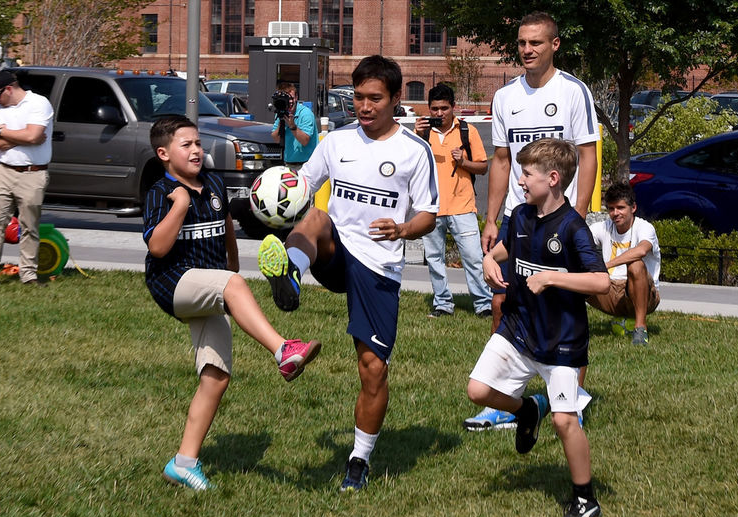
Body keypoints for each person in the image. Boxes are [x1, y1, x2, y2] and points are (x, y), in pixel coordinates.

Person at [257, 56, 438, 492]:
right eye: (358, 97)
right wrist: (273, 193)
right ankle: (291, 275)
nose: (365, 106)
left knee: (373, 368)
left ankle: (359, 460)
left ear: (396, 99)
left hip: (379, 264)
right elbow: (302, 185)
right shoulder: (336, 141)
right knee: (317, 217)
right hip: (336, 251)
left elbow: (428, 215)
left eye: (375, 98)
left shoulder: (414, 151)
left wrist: (402, 229)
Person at [144, 115, 321, 491]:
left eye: (197, 143)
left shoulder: (213, 183)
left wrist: (232, 269)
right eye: (186, 145)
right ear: (163, 154)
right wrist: (180, 205)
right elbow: (157, 247)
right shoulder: (161, 192)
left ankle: (183, 463)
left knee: (216, 375)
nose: (196, 150)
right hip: (172, 283)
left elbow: (225, 225)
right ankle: (284, 351)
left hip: (212, 285)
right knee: (232, 285)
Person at [465, 10, 599, 430]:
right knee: (503, 301)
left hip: (560, 219)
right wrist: (491, 219)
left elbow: (588, 156)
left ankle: (570, 401)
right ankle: (507, 400)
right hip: (517, 216)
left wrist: (576, 216)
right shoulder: (505, 96)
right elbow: (502, 160)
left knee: (564, 306)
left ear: (554, 45)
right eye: (522, 43)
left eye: (536, 42)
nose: (527, 50)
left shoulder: (574, 91)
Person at [467, 138, 609, 517]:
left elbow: (601, 282)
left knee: (564, 422)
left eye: (527, 174)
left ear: (553, 178)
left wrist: (551, 278)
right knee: (477, 390)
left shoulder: (573, 227)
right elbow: (506, 249)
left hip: (561, 340)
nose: (520, 181)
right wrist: (488, 260)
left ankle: (586, 500)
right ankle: (527, 410)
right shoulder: (520, 215)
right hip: (518, 328)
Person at [413, 83, 492, 319]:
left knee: (473, 258)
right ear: (428, 109)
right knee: (434, 259)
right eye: (434, 109)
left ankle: (484, 304)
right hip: (431, 206)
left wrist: (463, 162)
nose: (439, 113)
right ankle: (442, 303)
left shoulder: (468, 131)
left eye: (444, 108)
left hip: (462, 206)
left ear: (453, 107)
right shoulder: (422, 133)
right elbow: (409, 165)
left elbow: (483, 167)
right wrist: (417, 136)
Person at [0, 70, 54, 285]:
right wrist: (23, 136)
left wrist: (2, 131)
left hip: (33, 173)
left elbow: (34, 135)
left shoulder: (38, 103)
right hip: (4, 171)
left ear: (8, 89)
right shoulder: (0, 110)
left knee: (29, 226)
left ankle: (28, 275)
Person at [587, 182, 662, 346]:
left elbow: (642, 250)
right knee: (573, 268)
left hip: (643, 295)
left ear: (633, 208)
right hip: (610, 290)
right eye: (611, 209)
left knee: (635, 265)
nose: (615, 213)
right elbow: (579, 242)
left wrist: (606, 265)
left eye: (620, 208)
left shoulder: (645, 227)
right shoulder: (602, 227)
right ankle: (569, 326)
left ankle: (640, 329)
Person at [270, 81, 318, 165]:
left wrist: (292, 126)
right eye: (286, 99)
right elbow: (276, 139)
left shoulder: (305, 114)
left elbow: (305, 141)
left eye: (291, 98)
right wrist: (281, 122)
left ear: (296, 97)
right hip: (289, 163)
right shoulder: (280, 113)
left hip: (306, 164)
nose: (290, 102)